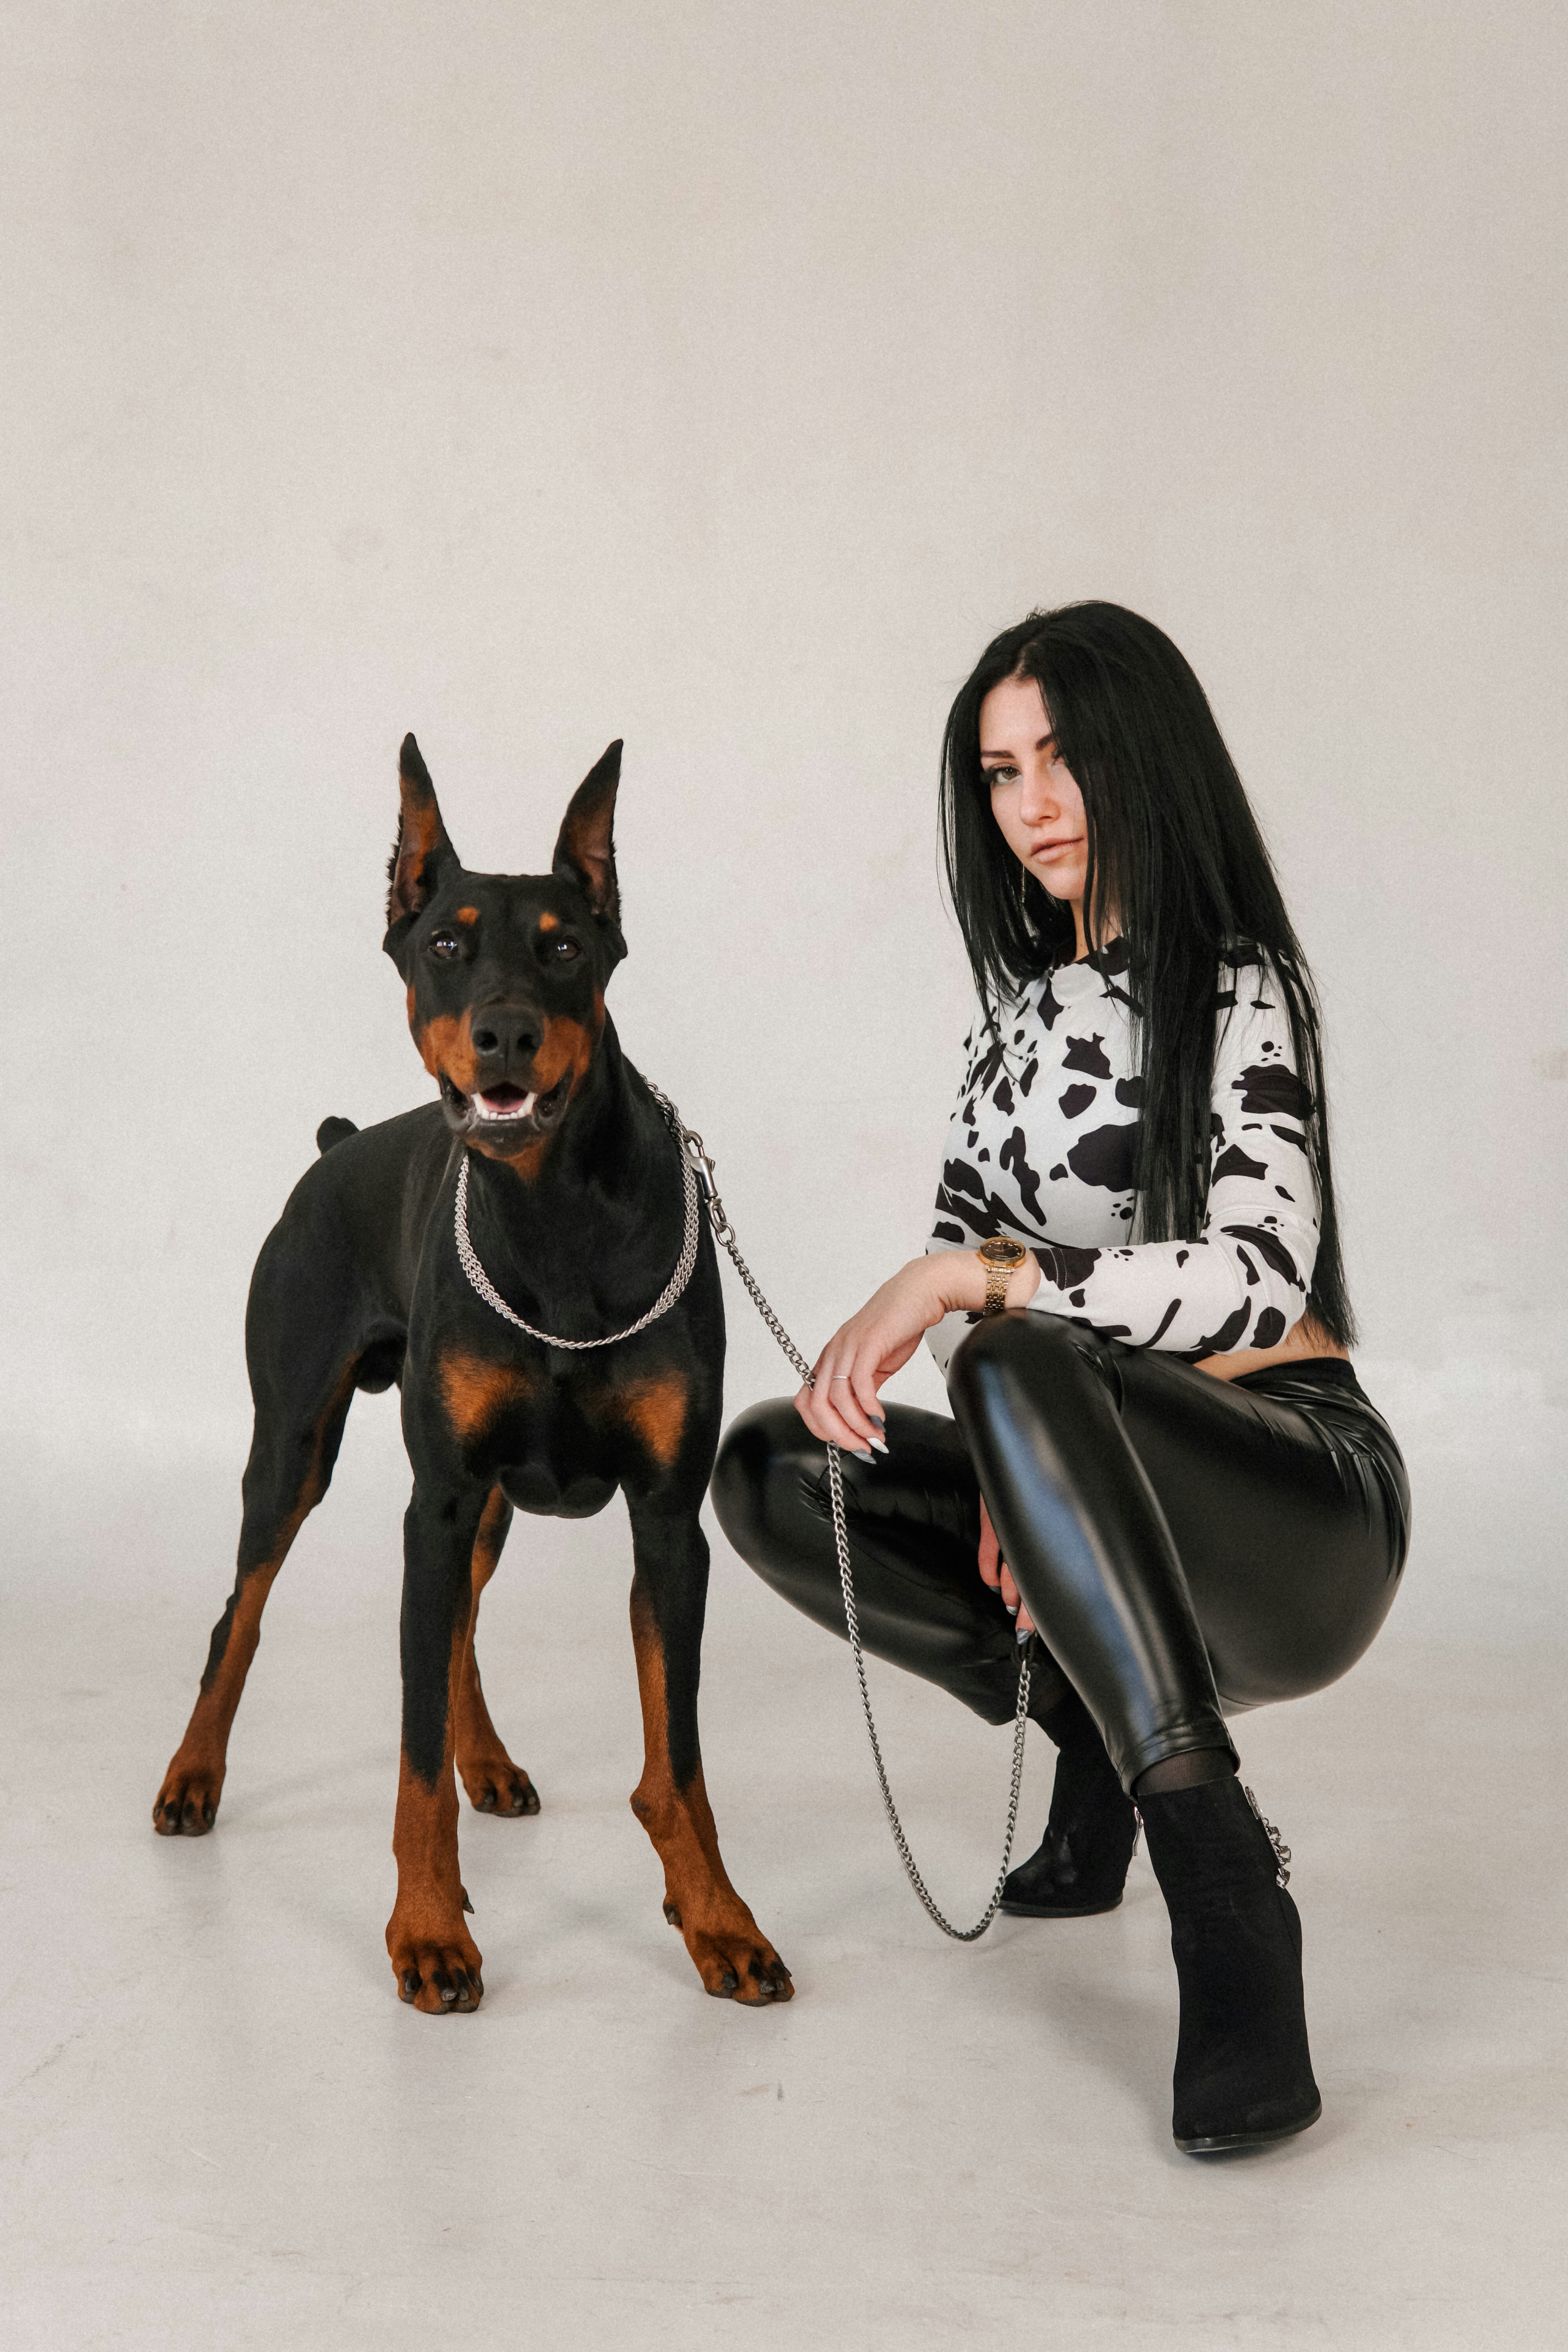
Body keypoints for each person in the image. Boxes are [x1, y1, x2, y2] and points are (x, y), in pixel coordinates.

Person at [712, 601, 1410, 2154]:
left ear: (1144, 763)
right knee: (772, 1470)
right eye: (998, 769)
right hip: (1082, 1464)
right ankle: (1092, 1736)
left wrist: (976, 1292)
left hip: (1296, 1505)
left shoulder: (1236, 984)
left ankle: (1221, 1891)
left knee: (1020, 1341)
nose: (1028, 802)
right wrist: (1026, 1487)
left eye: (1063, 760)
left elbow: (1253, 1277)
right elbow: (983, 1333)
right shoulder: (1008, 1030)